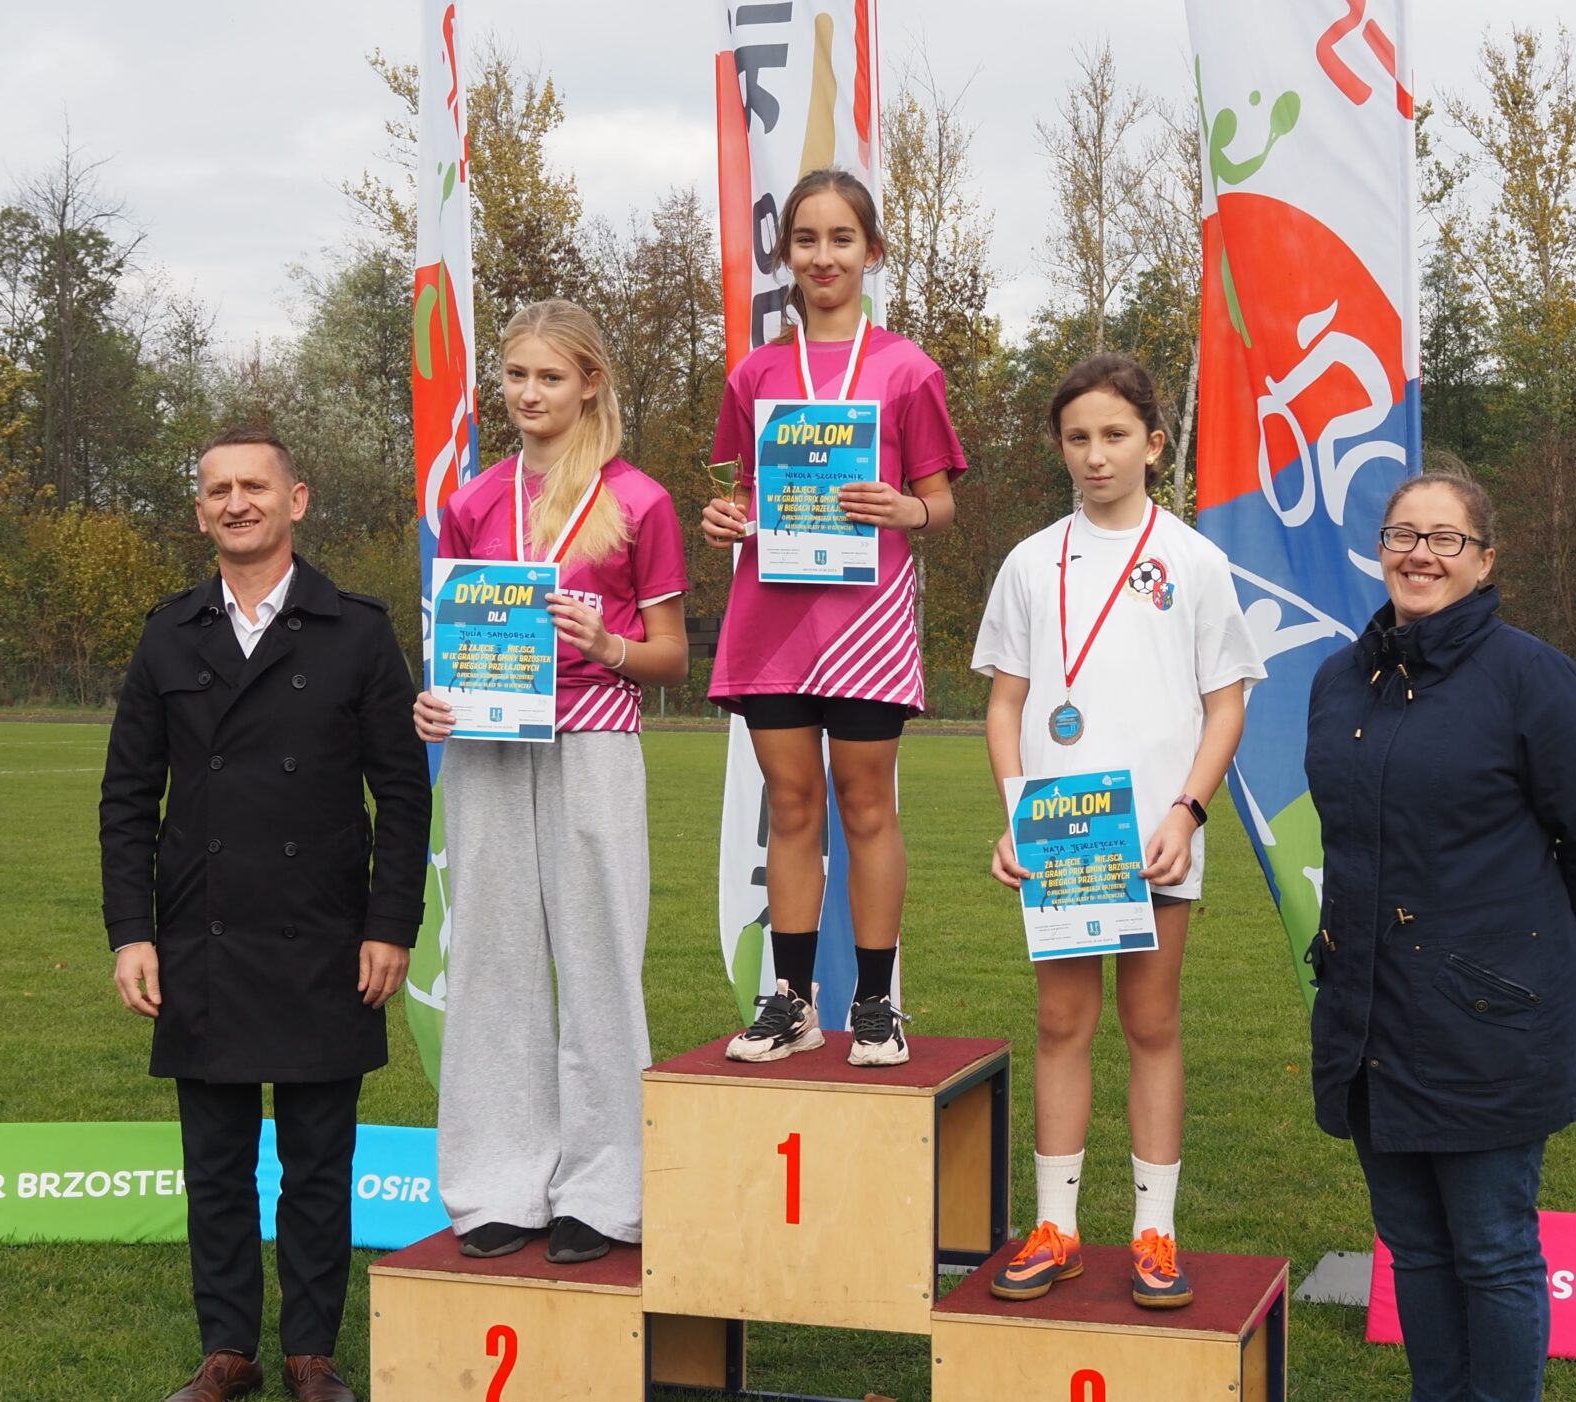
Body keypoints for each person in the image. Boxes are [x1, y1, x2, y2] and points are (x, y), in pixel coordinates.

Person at [1304, 469, 1576, 1402]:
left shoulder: (1530, 676)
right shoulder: (1341, 680)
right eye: (1403, 534)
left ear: (1486, 560)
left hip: (1488, 1015)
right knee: (1414, 1242)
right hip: (1370, 1009)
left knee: (1491, 1247)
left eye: (1446, 538)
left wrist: (1516, 949)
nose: (1421, 554)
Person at [100, 425, 428, 1402]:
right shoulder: (169, 633)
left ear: (297, 500)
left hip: (325, 935)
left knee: (320, 1162)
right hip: (201, 937)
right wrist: (131, 931)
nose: (236, 502)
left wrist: (390, 924)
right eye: (218, 490)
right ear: (201, 511)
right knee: (217, 1163)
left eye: (254, 485)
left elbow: (402, 793)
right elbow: (127, 798)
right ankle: (227, 1351)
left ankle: (311, 1352)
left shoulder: (357, 631)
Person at [972, 355, 1262, 1309]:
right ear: (1060, 447)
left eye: (1114, 435)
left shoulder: (1194, 560)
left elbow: (1227, 705)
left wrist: (1188, 810)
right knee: (1062, 1024)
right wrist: (1016, 815)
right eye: (1077, 438)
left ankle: (1153, 1234)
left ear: (1154, 444)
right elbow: (1005, 705)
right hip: (1064, 834)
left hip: (1154, 836)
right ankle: (1055, 1227)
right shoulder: (1030, 561)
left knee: (1151, 1024)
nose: (1095, 455)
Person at [414, 300, 689, 1262]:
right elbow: (454, 641)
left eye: (549, 377)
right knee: (491, 959)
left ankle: (605, 1191)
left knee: (599, 961)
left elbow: (671, 656)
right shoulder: (474, 500)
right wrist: (434, 703)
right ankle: (498, 1182)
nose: (529, 394)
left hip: (594, 740)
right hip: (487, 746)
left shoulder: (639, 500)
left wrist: (609, 645)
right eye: (516, 376)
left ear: (590, 384)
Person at [701, 167, 966, 1067]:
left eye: (841, 239)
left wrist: (907, 509)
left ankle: (878, 1003)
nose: (823, 256)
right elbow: (742, 493)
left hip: (867, 624)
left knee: (866, 804)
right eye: (807, 240)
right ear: (786, 255)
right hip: (773, 621)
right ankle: (792, 1002)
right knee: (790, 805)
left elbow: (940, 503)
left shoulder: (907, 369)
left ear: (871, 251)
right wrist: (726, 518)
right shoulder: (755, 373)